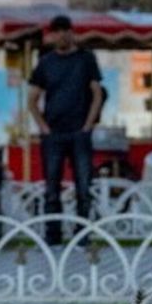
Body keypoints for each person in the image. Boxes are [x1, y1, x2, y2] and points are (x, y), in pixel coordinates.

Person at [28, 15, 103, 244]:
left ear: (72, 32)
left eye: (65, 30)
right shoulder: (46, 63)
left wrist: (88, 125)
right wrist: (43, 126)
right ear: (52, 35)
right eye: (57, 31)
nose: (62, 35)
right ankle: (53, 234)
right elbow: (32, 98)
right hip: (55, 133)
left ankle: (82, 233)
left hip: (79, 131)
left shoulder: (85, 59)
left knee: (83, 185)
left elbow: (97, 93)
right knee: (52, 185)